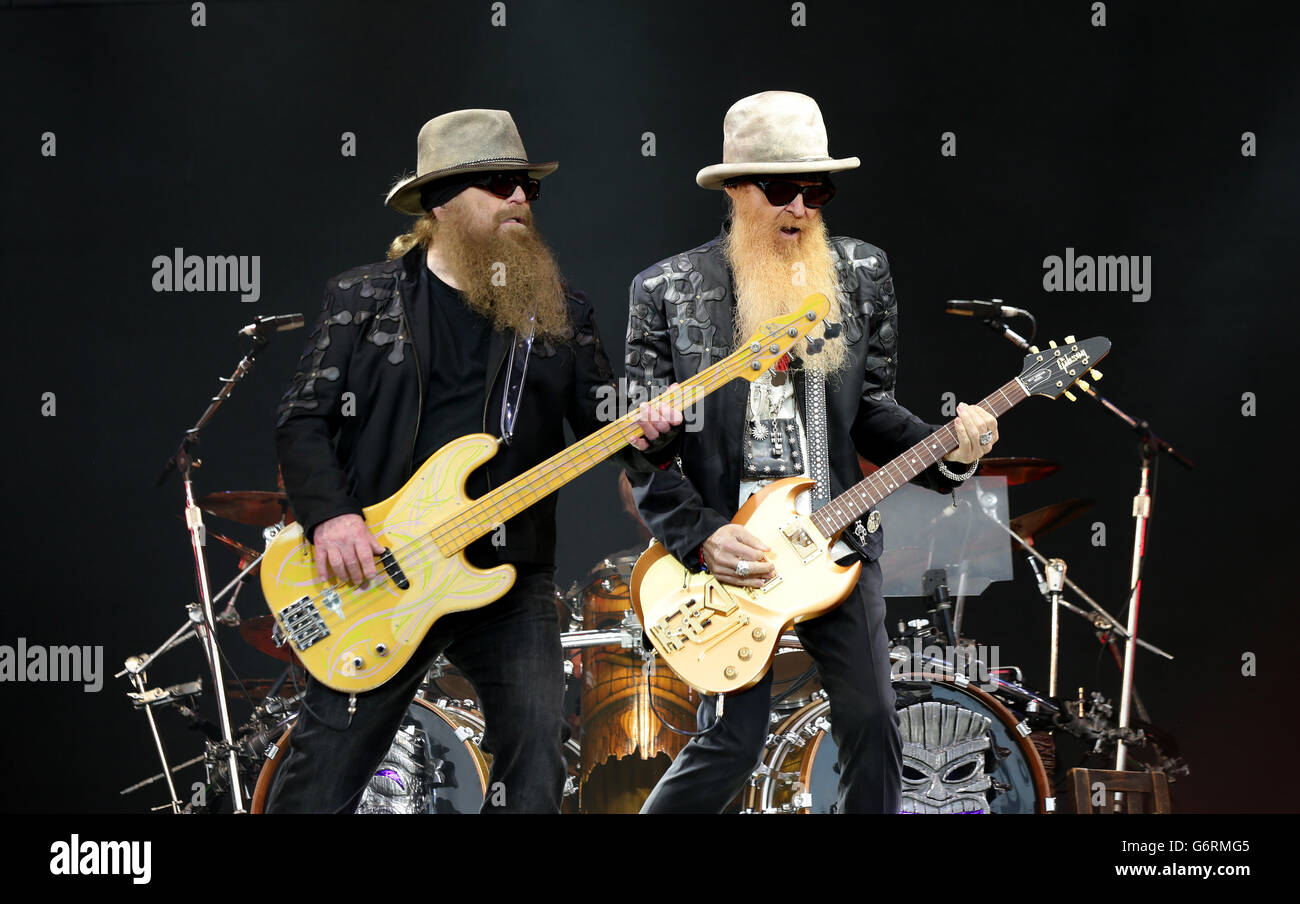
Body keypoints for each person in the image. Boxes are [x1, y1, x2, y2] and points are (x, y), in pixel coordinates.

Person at [268, 108, 657, 813]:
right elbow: (302, 420)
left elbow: (610, 423)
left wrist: (650, 424)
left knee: (537, 756)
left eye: (527, 188)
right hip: (383, 567)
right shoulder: (364, 299)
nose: (520, 199)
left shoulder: (558, 310)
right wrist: (333, 521)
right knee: (325, 770)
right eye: (498, 184)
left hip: (509, 581)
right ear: (441, 203)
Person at [624, 91, 1001, 813]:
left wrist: (955, 447)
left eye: (816, 190)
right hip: (729, 550)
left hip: (834, 539)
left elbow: (874, 412)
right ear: (736, 190)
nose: (800, 208)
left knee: (873, 723)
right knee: (733, 740)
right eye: (780, 189)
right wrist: (703, 538)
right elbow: (644, 453)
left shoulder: (861, 273)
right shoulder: (667, 290)